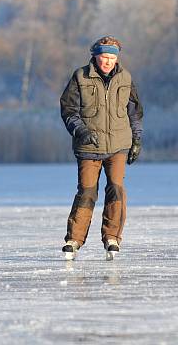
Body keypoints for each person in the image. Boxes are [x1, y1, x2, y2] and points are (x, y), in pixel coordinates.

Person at [59, 35, 143, 260]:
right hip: (89, 146)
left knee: (116, 188)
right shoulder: (80, 77)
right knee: (87, 191)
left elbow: (134, 112)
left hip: (118, 145)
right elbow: (68, 110)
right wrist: (82, 131)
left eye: (111, 58)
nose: (107, 62)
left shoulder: (125, 78)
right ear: (95, 56)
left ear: (117, 58)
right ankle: (74, 239)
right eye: (104, 57)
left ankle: (112, 237)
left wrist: (137, 139)